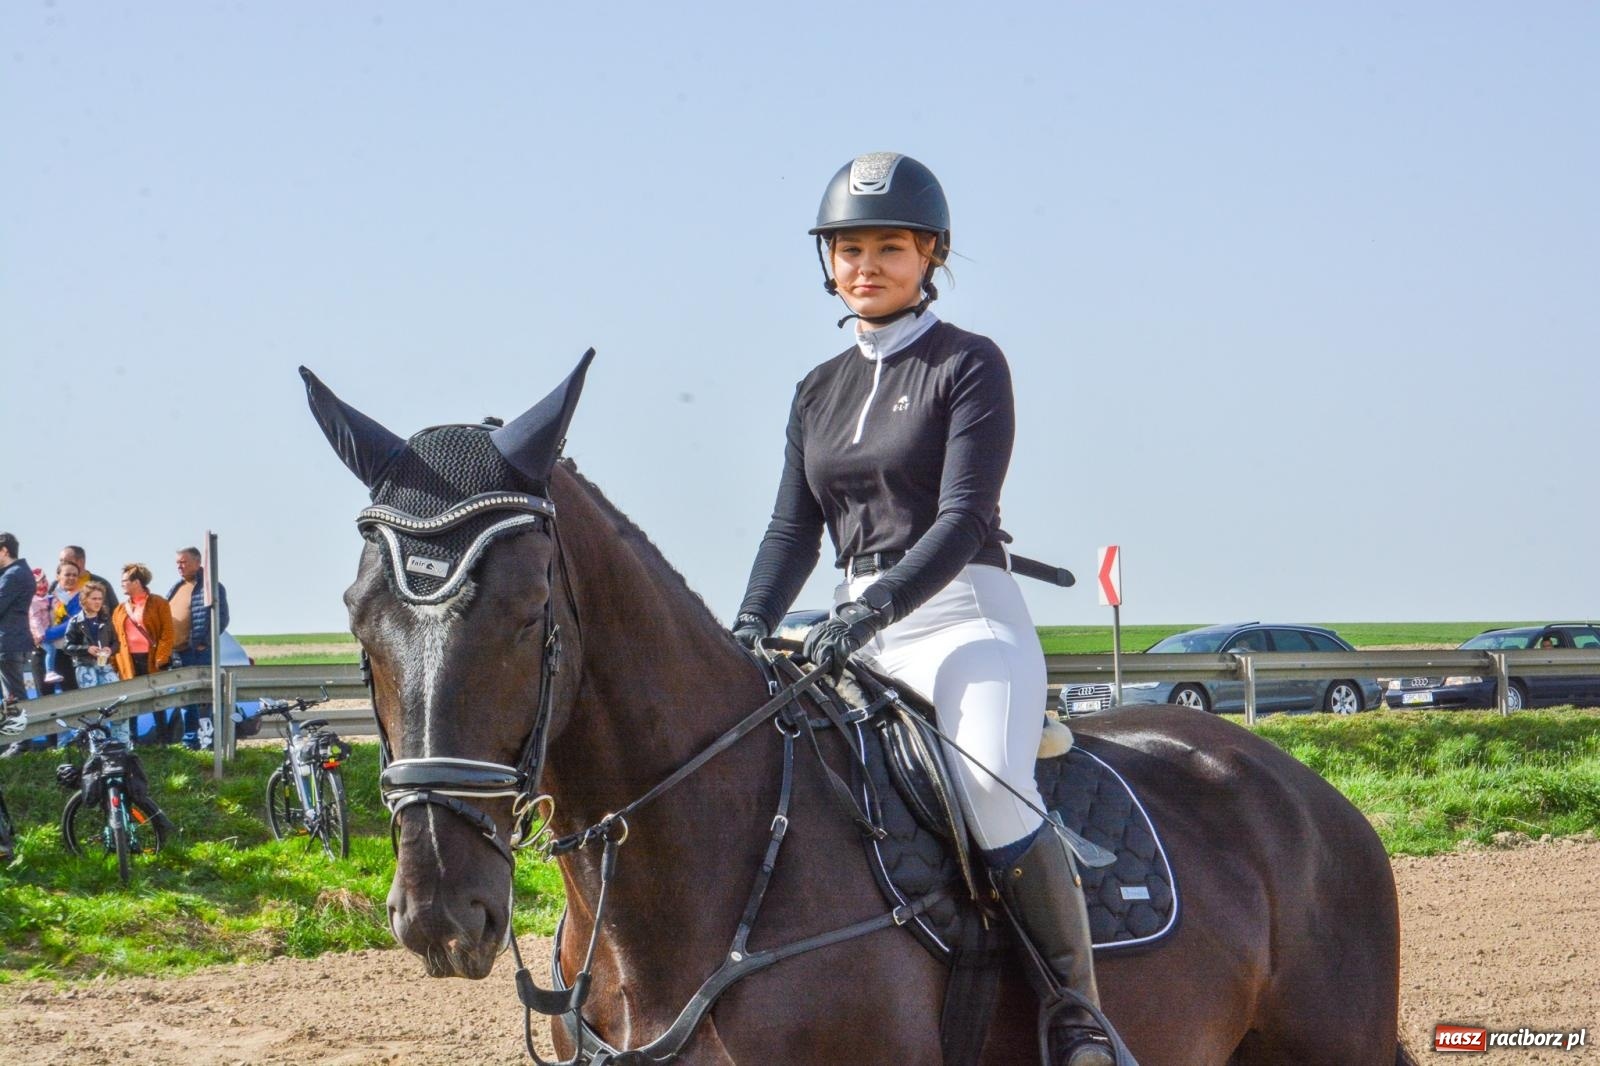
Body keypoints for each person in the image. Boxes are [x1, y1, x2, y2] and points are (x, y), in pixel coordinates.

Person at [730, 153, 1121, 1065]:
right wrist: (748, 624)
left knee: (987, 787)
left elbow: (963, 519)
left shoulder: (968, 364)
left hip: (963, 619)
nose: (866, 265)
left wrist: (875, 612)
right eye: (849, 248)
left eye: (889, 248)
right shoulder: (815, 390)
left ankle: (1076, 1014)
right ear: (827, 259)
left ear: (931, 254)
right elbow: (792, 534)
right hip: (848, 634)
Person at [167, 546, 229, 749]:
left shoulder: (210, 587)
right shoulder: (177, 587)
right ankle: (190, 740)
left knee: (204, 698)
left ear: (197, 562)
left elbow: (222, 618)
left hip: (197, 651)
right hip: (178, 652)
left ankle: (208, 742)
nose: (179, 566)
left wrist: (205, 642)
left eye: (183, 562)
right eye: (177, 562)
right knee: (186, 698)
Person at [112, 563, 175, 744]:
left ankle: (164, 741)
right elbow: (115, 638)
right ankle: (132, 741)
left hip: (152, 659)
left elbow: (167, 633)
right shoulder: (120, 609)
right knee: (130, 702)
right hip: (128, 661)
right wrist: (115, 663)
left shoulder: (159, 603)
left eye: (125, 581)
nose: (122, 584)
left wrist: (161, 657)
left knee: (157, 700)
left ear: (137, 582)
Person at [64, 581, 128, 744]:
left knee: (116, 701)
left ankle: (122, 742)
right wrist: (86, 649)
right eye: (94, 598)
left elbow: (116, 643)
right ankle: (97, 745)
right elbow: (67, 646)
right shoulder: (75, 622)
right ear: (84, 600)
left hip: (104, 665)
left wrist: (109, 650)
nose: (98, 602)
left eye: (100, 598)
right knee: (93, 705)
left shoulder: (106, 620)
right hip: (85, 667)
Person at [0, 533, 34, 720]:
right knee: (12, 695)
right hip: (15, 640)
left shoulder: (13, 575)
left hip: (9, 642)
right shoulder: (18, 572)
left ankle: (21, 742)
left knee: (13, 696)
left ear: (4, 551)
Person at [38, 559, 84, 696]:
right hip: (41, 653)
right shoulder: (44, 595)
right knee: (44, 700)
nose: (71, 578)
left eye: (75, 575)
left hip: (65, 653)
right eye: (67, 574)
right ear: (58, 576)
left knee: (71, 697)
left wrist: (44, 635)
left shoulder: (80, 598)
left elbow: (73, 622)